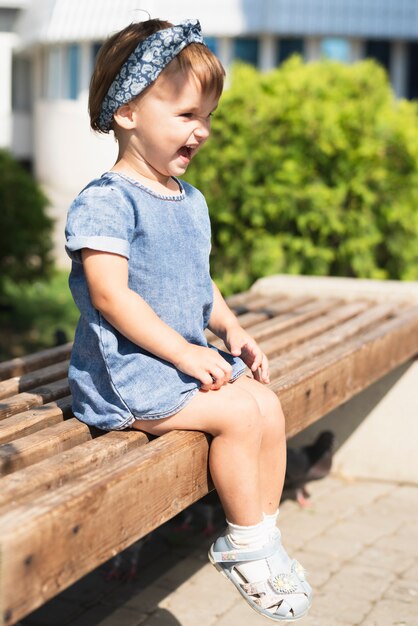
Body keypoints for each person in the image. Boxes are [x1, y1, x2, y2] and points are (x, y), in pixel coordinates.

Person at [65, 18, 312, 621]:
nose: (200, 130)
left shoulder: (188, 199)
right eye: (185, 115)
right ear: (127, 112)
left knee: (265, 404)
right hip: (128, 375)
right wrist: (185, 354)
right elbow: (111, 298)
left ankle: (259, 538)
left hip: (178, 361)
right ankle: (246, 544)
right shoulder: (107, 199)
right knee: (235, 413)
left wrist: (229, 328)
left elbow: (198, 283)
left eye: (207, 117)